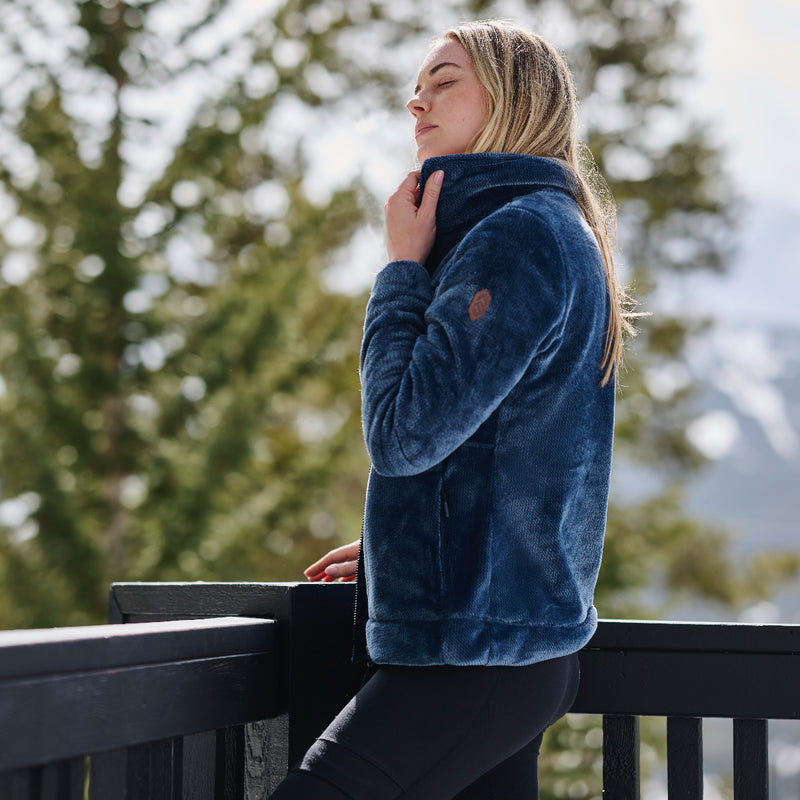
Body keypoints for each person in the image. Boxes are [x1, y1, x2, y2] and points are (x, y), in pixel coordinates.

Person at [269, 19, 627, 800]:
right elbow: (523, 452)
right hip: (496, 650)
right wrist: (415, 548)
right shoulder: (543, 229)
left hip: (474, 658)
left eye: (444, 81)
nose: (415, 101)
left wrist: (400, 268)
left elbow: (404, 435)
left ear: (509, 98)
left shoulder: (514, 238)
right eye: (417, 84)